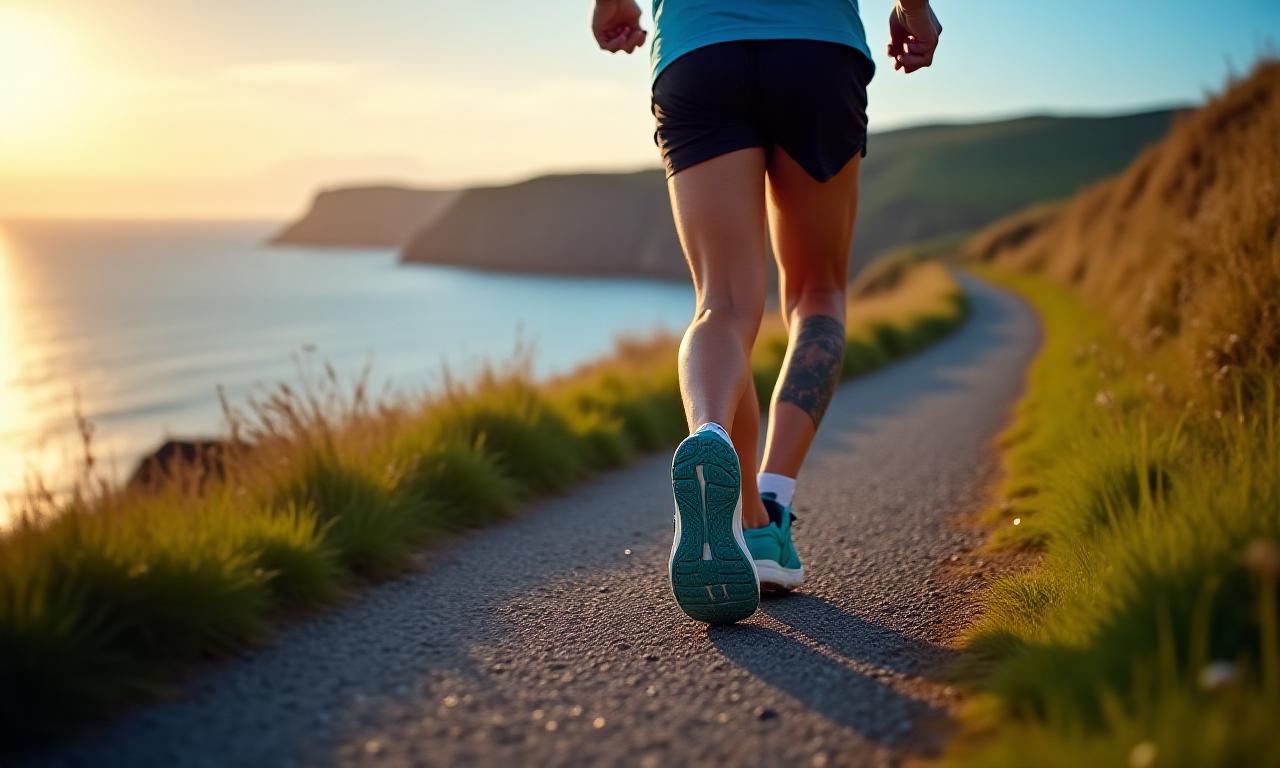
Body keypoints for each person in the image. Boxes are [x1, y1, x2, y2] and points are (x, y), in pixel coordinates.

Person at [591, 0, 942, 624]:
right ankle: (769, 510)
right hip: (815, 49)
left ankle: (710, 439)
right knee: (817, 294)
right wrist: (913, 9)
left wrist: (612, 5)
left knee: (722, 303)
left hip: (698, 53)